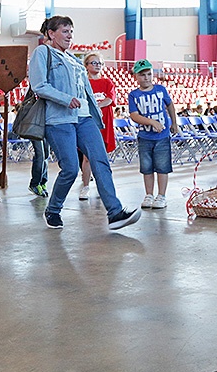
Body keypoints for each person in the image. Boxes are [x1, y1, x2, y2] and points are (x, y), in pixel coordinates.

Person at [28, 15, 140, 230]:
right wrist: (65, 98)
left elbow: (86, 90)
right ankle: (53, 209)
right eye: (65, 31)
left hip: (84, 117)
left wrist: (95, 114)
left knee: (101, 162)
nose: (70, 35)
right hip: (59, 118)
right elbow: (39, 85)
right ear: (51, 33)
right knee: (70, 168)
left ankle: (115, 213)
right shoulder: (42, 53)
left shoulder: (73, 58)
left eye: (71, 31)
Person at [128, 59, 178, 209]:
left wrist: (174, 123)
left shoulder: (160, 89)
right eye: (142, 75)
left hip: (162, 136)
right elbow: (134, 115)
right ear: (136, 76)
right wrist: (151, 122)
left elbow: (170, 105)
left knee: (162, 166)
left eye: (149, 74)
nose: (146, 78)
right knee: (147, 167)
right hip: (145, 137)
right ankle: (149, 194)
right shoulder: (134, 95)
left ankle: (161, 195)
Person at [79, 52, 117, 200]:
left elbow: (110, 99)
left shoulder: (107, 82)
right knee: (87, 157)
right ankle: (86, 186)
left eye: (99, 63)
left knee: (102, 156)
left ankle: (104, 186)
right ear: (86, 65)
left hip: (104, 123)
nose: (97, 65)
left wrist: (96, 106)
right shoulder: (83, 82)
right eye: (93, 63)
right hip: (88, 122)